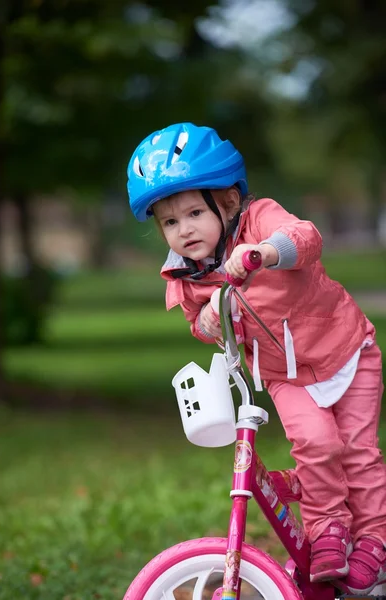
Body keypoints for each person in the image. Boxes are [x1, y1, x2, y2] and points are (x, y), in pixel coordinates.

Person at [127, 122, 386, 594]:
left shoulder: (259, 218)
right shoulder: (184, 277)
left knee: (357, 454)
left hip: (348, 351)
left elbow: (304, 238)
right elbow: (200, 325)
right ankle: (328, 527)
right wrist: (205, 322)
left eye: (193, 213)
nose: (183, 230)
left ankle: (373, 540)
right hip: (284, 374)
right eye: (169, 222)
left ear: (225, 202)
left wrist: (262, 253)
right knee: (316, 445)